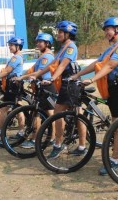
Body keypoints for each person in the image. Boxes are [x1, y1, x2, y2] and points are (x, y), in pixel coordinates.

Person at [70, 17, 118, 175]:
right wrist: (77, 75)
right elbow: (97, 63)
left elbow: (110, 65)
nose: (106, 32)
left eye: (108, 29)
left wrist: (92, 79)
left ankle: (113, 161)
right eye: (106, 30)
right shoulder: (111, 48)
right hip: (114, 88)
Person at [33, 20, 83, 159]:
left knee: (64, 113)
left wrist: (52, 78)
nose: (58, 34)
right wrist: (35, 75)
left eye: (61, 32)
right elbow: (53, 64)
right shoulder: (62, 49)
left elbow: (62, 66)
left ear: (68, 33)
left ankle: (59, 144)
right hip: (65, 81)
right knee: (76, 113)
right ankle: (80, 145)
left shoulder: (70, 47)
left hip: (70, 81)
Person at [15, 33, 56, 148]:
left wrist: (22, 77)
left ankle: (37, 139)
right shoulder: (43, 56)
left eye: (40, 42)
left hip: (47, 86)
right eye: (37, 42)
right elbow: (34, 70)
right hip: (42, 86)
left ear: (47, 43)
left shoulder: (47, 57)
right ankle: (47, 138)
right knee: (42, 113)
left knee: (46, 114)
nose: (38, 44)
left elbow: (39, 72)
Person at [0, 37, 25, 139]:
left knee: (5, 108)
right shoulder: (18, 57)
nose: (9, 47)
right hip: (14, 84)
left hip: (13, 85)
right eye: (9, 45)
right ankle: (21, 131)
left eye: (11, 45)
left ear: (18, 46)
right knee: (18, 108)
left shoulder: (16, 58)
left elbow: (7, 71)